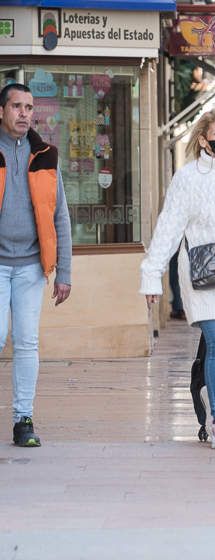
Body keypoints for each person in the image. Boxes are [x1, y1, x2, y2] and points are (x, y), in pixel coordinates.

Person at [140, 108, 215, 450]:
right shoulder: (188, 177)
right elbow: (169, 227)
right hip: (202, 274)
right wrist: (151, 275)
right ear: (204, 141)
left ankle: (213, 392)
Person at [0, 83, 72, 447]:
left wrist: (65, 272)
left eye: (29, 107)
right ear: (2, 111)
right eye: (17, 106)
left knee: (27, 342)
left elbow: (61, 216)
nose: (24, 113)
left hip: (30, 267)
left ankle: (23, 420)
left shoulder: (45, 155)